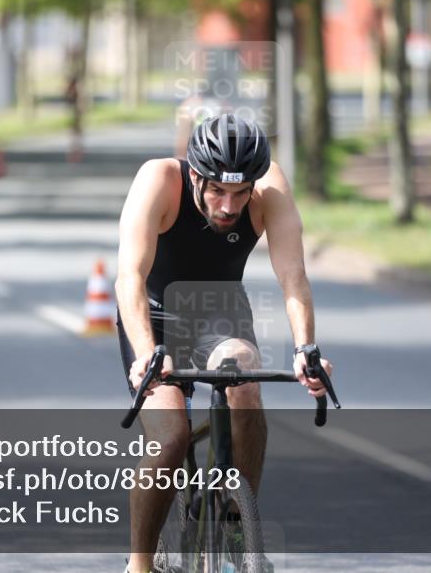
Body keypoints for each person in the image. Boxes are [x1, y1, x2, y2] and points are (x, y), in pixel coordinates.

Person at [115, 113, 333, 573]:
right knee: (171, 438)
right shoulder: (158, 179)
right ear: (195, 173)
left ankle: (236, 526)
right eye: (216, 189)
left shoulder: (269, 188)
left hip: (220, 311)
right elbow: (129, 276)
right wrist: (146, 353)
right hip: (154, 316)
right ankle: (139, 565)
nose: (229, 206)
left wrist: (305, 349)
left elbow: (292, 274)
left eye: (240, 192)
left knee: (246, 387)